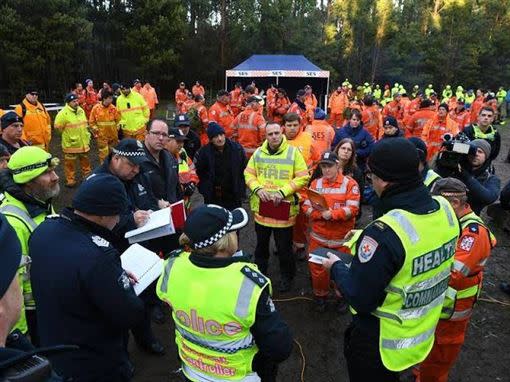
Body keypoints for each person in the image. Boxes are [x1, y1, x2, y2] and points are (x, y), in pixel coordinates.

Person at [321, 138, 460, 381]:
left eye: (371, 177)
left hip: (381, 344)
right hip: (421, 331)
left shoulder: (385, 233)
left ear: (383, 180)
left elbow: (361, 297)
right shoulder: (445, 209)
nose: (370, 182)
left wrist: (336, 268)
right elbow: (416, 244)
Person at [156, 204, 292, 382]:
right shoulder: (246, 284)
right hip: (239, 376)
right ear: (225, 242)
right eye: (234, 231)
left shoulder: (172, 265)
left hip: (191, 371)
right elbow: (279, 348)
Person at [29, 173, 145, 381]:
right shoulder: (99, 255)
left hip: (54, 347)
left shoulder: (44, 230)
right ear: (101, 215)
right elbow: (129, 313)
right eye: (117, 213)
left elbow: (65, 273)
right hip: (94, 359)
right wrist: (117, 279)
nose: (119, 219)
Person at [416, 178, 496, 382]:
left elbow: (454, 273)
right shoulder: (450, 221)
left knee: (439, 359)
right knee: (427, 348)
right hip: (438, 305)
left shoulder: (473, 234)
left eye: (437, 204)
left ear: (454, 204)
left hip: (452, 314)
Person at [0, 146, 60, 347]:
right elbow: (12, 282)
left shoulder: (39, 198)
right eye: (46, 173)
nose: (55, 177)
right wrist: (20, 335)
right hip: (36, 311)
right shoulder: (13, 221)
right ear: (27, 182)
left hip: (48, 296)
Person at [244, 123, 309, 292]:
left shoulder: (293, 153)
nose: (273, 136)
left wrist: (283, 191)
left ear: (281, 133)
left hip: (283, 210)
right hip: (263, 210)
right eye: (270, 134)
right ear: (265, 136)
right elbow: (248, 173)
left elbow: (303, 177)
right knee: (261, 246)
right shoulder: (258, 153)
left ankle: (287, 277)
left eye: (276, 133)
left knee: (284, 248)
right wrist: (257, 189)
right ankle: (261, 274)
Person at [303, 151, 360, 311]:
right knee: (317, 270)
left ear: (338, 166)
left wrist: (332, 215)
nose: (326, 170)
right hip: (318, 238)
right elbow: (306, 207)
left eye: (329, 166)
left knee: (341, 270)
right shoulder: (316, 184)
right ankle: (320, 296)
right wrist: (320, 215)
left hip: (341, 240)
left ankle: (342, 297)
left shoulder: (350, 184)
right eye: (323, 166)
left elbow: (353, 209)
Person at [437, 139, 500, 214]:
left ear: (486, 157)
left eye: (480, 152)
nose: (476, 154)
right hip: (444, 211)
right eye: (473, 151)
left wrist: (465, 175)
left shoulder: (491, 178)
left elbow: (489, 198)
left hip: (468, 217)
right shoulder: (453, 166)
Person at [194, 122, 247, 209]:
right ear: (211, 139)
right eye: (215, 136)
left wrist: (241, 189)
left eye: (221, 135)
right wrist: (205, 190)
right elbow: (200, 173)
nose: (220, 139)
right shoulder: (203, 153)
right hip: (213, 197)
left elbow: (243, 170)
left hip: (233, 195)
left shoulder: (237, 149)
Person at [141, 119, 181, 208]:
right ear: (146, 134)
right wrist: (156, 202)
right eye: (156, 133)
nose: (161, 138)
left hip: (171, 213)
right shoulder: (137, 160)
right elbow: (132, 194)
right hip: (148, 216)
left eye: (164, 135)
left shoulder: (170, 158)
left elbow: (176, 189)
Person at [54, 93, 91, 187]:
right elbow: (58, 128)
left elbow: (84, 125)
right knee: (70, 164)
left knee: (85, 161)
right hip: (71, 144)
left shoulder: (81, 111)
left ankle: (87, 176)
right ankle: (70, 180)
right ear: (68, 102)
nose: (76, 102)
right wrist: (69, 136)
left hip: (83, 143)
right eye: (73, 101)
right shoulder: (63, 113)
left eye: (77, 100)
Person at [165, 128, 199, 210]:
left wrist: (193, 182)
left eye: (182, 141)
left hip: (186, 204)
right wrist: (183, 187)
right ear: (168, 140)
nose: (181, 144)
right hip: (171, 206)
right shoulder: (161, 158)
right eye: (178, 141)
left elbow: (192, 169)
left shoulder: (182, 152)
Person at [14, 86, 52, 151]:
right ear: (26, 94)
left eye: (36, 94)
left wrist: (48, 136)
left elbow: (48, 122)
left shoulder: (42, 106)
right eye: (32, 94)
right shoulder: (20, 108)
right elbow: (17, 128)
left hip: (45, 144)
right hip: (30, 146)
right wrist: (24, 143)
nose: (34, 96)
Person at [89, 90, 121, 162]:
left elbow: (118, 120)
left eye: (111, 98)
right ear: (104, 99)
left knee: (114, 154)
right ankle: (104, 170)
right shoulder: (96, 108)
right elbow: (91, 122)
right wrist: (97, 130)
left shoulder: (113, 108)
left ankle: (114, 169)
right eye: (109, 98)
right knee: (104, 155)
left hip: (113, 136)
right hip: (102, 136)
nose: (111, 100)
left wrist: (117, 128)